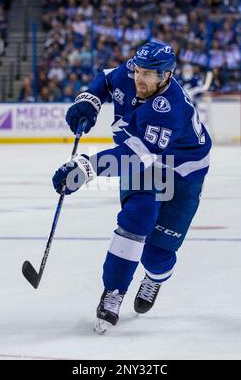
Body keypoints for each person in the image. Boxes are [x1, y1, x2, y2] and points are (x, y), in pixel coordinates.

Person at [52, 42, 212, 334]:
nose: (140, 78)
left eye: (149, 74)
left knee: (157, 256)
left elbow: (134, 157)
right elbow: (106, 79)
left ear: (166, 76)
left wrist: (84, 168)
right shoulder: (131, 72)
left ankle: (154, 278)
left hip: (183, 170)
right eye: (138, 70)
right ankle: (113, 292)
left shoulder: (169, 108)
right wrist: (89, 101)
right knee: (135, 221)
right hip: (146, 163)